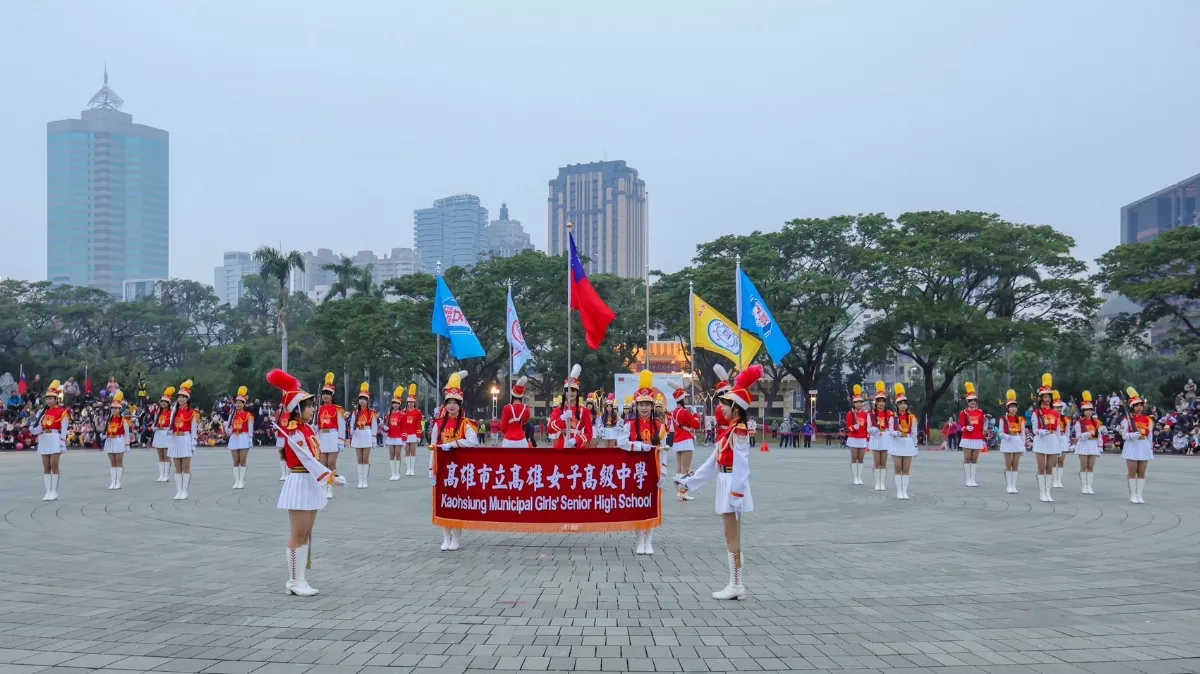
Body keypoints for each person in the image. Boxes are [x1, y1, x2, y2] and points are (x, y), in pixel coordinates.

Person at [675, 364, 762, 601]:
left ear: (736, 408)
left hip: (733, 483)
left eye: (725, 404)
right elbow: (713, 464)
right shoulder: (728, 431)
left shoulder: (739, 431)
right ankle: (735, 583)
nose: (720, 407)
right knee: (729, 535)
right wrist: (688, 482)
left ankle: (736, 584)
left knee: (732, 536)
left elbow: (742, 466)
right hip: (726, 481)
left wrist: (737, 494)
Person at [269, 369, 345, 597]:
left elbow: (315, 459)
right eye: (309, 405)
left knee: (306, 534)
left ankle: (300, 578)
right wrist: (330, 477)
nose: (313, 409)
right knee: (298, 534)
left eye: (313, 404)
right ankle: (294, 580)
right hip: (300, 481)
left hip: (310, 482)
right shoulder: (294, 431)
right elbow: (306, 460)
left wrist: (327, 476)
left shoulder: (307, 428)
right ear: (297, 409)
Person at [617, 371, 669, 554]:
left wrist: (663, 472)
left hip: (653, 467)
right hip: (636, 468)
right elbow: (621, 443)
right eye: (641, 404)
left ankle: (649, 540)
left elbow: (664, 450)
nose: (645, 408)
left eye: (647, 404)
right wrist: (640, 446)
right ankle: (639, 540)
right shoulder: (629, 424)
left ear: (652, 405)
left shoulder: (660, 426)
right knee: (639, 504)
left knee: (652, 504)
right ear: (636, 405)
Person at [429, 370, 479, 551]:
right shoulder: (438, 423)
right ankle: (445, 537)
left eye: (454, 403)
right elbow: (433, 446)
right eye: (448, 402)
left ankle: (456, 537)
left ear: (460, 405)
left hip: (460, 468)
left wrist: (455, 444)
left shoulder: (466, 423)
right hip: (441, 467)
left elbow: (473, 441)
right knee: (443, 502)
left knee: (457, 502)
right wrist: (430, 469)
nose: (451, 406)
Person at [32, 380, 69, 500]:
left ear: (56, 398)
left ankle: (54, 491)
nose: (48, 401)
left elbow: (64, 428)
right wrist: (33, 429)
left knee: (54, 465)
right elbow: (40, 428)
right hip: (44, 438)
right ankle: (47, 491)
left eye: (51, 398)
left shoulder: (61, 411)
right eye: (47, 398)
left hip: (55, 438)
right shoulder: (43, 412)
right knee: (46, 466)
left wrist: (62, 442)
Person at [1030, 374, 1061, 503]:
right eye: (1045, 396)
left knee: (1050, 467)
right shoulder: (1036, 412)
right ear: (1041, 398)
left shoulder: (1055, 412)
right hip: (1041, 440)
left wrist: (1059, 445)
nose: (1047, 399)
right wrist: (1040, 431)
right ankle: (1042, 492)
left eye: (1049, 396)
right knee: (1041, 467)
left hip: (1052, 439)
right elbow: (1034, 428)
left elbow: (1058, 429)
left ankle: (1048, 492)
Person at [314, 373, 346, 496]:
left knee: (331, 463)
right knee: (322, 464)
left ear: (332, 395)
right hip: (322, 436)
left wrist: (341, 441)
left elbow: (341, 426)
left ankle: (330, 488)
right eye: (324, 393)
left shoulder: (338, 409)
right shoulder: (318, 409)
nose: (325, 396)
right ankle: (324, 486)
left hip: (333, 436)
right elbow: (316, 424)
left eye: (328, 393)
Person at [1121, 387, 1154, 504]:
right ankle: (1133, 495)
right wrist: (1131, 436)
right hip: (1132, 445)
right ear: (1132, 407)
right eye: (1136, 405)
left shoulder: (1148, 419)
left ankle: (1140, 495)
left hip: (1143, 445)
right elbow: (1123, 434)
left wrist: (1150, 448)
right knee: (1132, 471)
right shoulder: (1127, 419)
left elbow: (1150, 435)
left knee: (1141, 472)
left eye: (1140, 405)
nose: (1139, 407)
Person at [168, 380, 200, 500]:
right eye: (179, 397)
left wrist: (193, 444)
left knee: (185, 467)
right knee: (177, 468)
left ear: (187, 399)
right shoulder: (174, 411)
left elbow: (193, 429)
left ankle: (185, 490)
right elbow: (171, 425)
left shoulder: (192, 413)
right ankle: (179, 490)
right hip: (176, 439)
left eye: (183, 397)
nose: (181, 399)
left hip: (186, 439)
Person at [548, 365, 594, 449]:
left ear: (577, 392)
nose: (570, 393)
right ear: (565, 393)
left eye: (573, 390)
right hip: (561, 445)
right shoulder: (558, 410)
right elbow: (550, 429)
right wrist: (562, 418)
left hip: (578, 446)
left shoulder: (584, 411)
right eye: (568, 390)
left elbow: (589, 433)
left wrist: (576, 440)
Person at [669, 383, 701, 501]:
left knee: (679, 469)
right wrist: (696, 414)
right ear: (682, 399)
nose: (687, 399)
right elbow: (696, 425)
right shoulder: (684, 412)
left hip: (677, 440)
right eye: (686, 397)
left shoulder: (674, 412)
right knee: (686, 469)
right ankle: (682, 493)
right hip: (686, 440)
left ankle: (679, 492)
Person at [887, 384, 918, 499]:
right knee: (898, 468)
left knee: (906, 469)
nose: (903, 406)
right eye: (900, 403)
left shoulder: (912, 417)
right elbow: (890, 430)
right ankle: (899, 491)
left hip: (907, 442)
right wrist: (895, 433)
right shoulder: (893, 417)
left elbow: (914, 432)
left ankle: (905, 491)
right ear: (897, 405)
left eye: (905, 403)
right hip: (897, 442)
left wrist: (915, 446)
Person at [1074, 391, 1104, 494]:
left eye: (1090, 410)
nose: (1088, 412)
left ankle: (1089, 486)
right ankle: (1084, 486)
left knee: (1090, 466)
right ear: (1083, 411)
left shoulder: (1095, 421)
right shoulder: (1079, 422)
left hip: (1092, 444)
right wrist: (1084, 435)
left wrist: (1100, 447)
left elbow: (1099, 435)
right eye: (1086, 410)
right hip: (1083, 444)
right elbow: (1077, 436)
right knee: (1084, 466)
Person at [349, 383, 379, 488]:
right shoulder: (355, 412)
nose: (362, 401)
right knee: (359, 459)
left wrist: (374, 440)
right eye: (360, 398)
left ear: (367, 400)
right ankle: (360, 480)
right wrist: (352, 430)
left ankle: (365, 480)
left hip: (367, 433)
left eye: (364, 399)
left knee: (365, 458)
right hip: (358, 434)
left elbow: (374, 426)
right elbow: (352, 424)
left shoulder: (372, 413)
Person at [225, 386, 255, 489]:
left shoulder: (248, 415)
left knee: (243, 461)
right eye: (236, 402)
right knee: (235, 461)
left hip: (244, 437)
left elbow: (250, 428)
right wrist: (227, 430)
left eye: (240, 403)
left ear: (244, 404)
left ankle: (241, 481)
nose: (238, 404)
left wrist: (250, 439)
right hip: (234, 437)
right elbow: (228, 428)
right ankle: (236, 481)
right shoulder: (232, 414)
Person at [998, 390, 1027, 494]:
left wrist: (1023, 445)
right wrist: (1006, 436)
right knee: (1008, 464)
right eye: (1011, 406)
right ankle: (1009, 485)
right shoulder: (1003, 419)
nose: (1013, 408)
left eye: (1015, 406)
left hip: (1017, 441)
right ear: (1007, 408)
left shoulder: (1020, 419)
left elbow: (1022, 433)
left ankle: (1014, 485)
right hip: (1007, 441)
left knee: (1015, 464)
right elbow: (1000, 432)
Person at [867, 381, 893, 492]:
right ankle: (877, 483)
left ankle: (882, 482)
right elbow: (868, 427)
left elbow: (891, 427)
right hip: (876, 438)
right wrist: (872, 430)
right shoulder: (870, 413)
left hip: (885, 437)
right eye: (879, 401)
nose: (881, 403)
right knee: (877, 462)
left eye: (883, 401)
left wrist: (891, 433)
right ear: (876, 402)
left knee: (884, 462)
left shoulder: (890, 414)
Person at [959, 382, 986, 487]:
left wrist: (983, 435)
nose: (973, 403)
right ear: (967, 402)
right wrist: (966, 427)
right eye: (970, 401)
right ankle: (967, 479)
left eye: (974, 401)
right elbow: (961, 426)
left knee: (974, 458)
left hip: (977, 437)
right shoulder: (963, 412)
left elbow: (982, 425)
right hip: (967, 438)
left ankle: (973, 479)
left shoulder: (980, 412)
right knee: (967, 458)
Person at [103, 391, 132, 489]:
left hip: (119, 441)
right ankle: (113, 481)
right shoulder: (109, 419)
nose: (113, 410)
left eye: (116, 408)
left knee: (119, 462)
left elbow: (127, 434)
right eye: (112, 408)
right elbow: (105, 430)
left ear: (120, 409)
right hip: (110, 441)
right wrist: (103, 435)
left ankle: (118, 482)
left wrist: (127, 445)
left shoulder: (123, 420)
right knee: (112, 463)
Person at [498, 377, 532, 448]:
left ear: (512, 395)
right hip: (522, 440)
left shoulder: (506, 408)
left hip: (508, 440)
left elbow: (503, 427)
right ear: (522, 395)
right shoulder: (526, 409)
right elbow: (525, 423)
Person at [845, 385, 869, 485]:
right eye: (857, 402)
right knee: (854, 457)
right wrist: (853, 427)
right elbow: (848, 427)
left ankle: (859, 476)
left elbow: (867, 426)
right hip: (853, 438)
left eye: (860, 402)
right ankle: (855, 477)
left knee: (861, 458)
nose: (859, 404)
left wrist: (868, 438)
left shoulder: (865, 414)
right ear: (854, 403)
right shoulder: (850, 413)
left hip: (862, 438)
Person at [383, 386, 408, 480]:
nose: (395, 405)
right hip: (390, 436)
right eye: (394, 403)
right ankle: (392, 473)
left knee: (397, 453)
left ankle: (397, 473)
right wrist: (385, 428)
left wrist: (404, 438)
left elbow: (404, 427)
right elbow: (386, 426)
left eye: (397, 403)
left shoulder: (402, 415)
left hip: (398, 437)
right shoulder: (388, 414)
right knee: (391, 454)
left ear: (399, 404)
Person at [152, 386, 175, 482]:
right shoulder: (158, 412)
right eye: (162, 401)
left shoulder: (171, 412)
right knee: (160, 455)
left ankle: (166, 475)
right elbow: (155, 422)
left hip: (166, 433)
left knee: (166, 455)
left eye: (165, 402)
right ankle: (161, 474)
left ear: (169, 403)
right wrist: (154, 426)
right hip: (159, 433)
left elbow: (172, 423)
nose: (163, 403)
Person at [400, 384, 424, 475]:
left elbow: (418, 424)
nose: (410, 403)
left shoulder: (418, 412)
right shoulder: (403, 412)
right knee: (406, 451)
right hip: (405, 434)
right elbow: (401, 424)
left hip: (413, 434)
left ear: (414, 402)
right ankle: (408, 469)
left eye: (412, 402)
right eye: (409, 402)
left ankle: (412, 469)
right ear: (407, 402)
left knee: (413, 451)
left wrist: (419, 435)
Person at [1051, 391, 1070, 489]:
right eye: (1057, 407)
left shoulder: (1065, 419)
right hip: (1054, 438)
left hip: (1063, 438)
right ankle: (1054, 480)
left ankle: (1059, 480)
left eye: (1060, 407)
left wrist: (1067, 440)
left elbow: (1067, 431)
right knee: (1054, 461)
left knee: (1061, 461)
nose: (1059, 409)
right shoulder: (1051, 418)